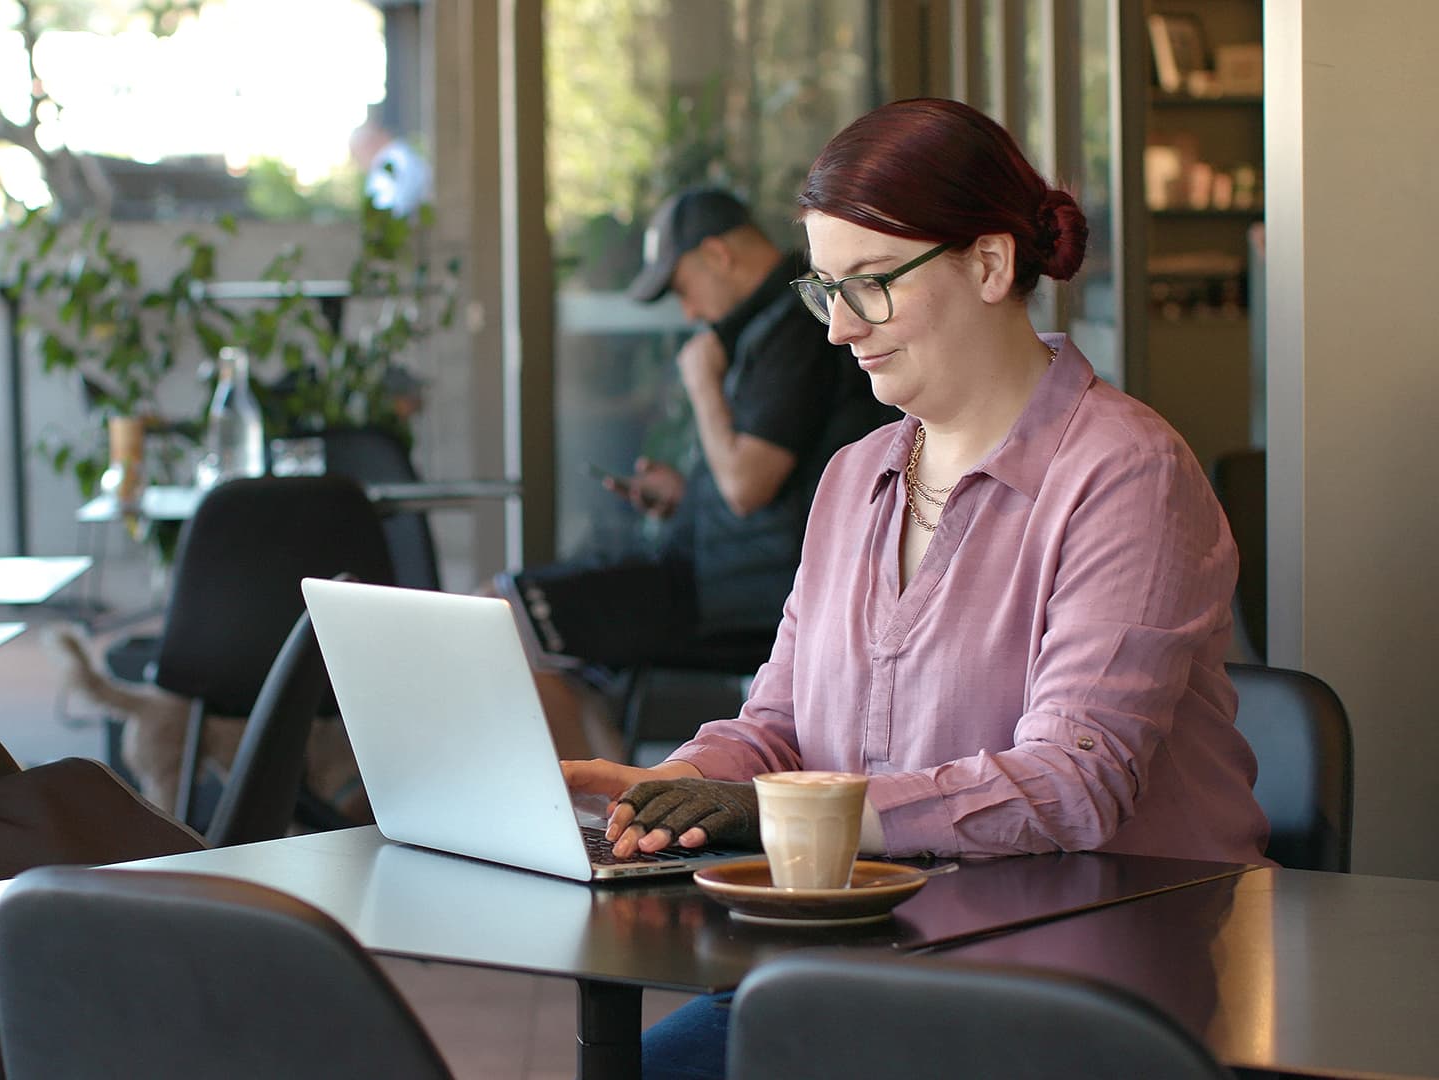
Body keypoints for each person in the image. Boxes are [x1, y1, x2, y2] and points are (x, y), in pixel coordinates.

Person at [558, 100, 1269, 1080]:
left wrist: (788, 815)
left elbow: (1074, 784)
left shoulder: (1125, 474)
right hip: (862, 972)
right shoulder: (856, 478)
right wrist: (673, 791)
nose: (842, 328)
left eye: (873, 286)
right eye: (826, 291)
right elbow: (777, 726)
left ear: (988, 265)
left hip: (1085, 1004)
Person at [496, 187, 895, 755]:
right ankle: (612, 803)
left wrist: (703, 383)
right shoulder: (769, 325)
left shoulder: (795, 326)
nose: (687, 312)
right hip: (714, 573)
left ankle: (593, 818)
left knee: (509, 615)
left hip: (733, 593)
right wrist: (686, 495)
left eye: (681, 287)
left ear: (717, 254)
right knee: (516, 618)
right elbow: (772, 477)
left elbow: (747, 486)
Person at [347, 116, 432, 219]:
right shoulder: (403, 153)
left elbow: (391, 211)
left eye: (357, 155)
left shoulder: (389, 162)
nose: (360, 163)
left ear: (368, 145)